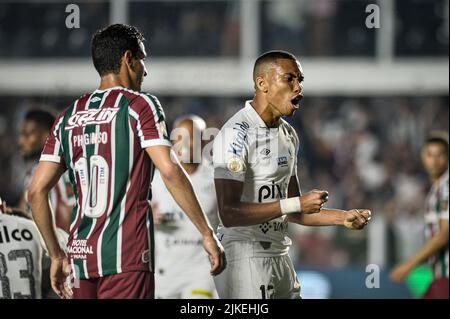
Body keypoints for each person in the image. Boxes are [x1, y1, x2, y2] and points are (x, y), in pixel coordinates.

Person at [27, 24, 225, 299]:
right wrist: (207, 233)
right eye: (143, 60)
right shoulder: (140, 105)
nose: (146, 70)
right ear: (128, 59)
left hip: (80, 258)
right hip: (127, 257)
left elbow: (35, 191)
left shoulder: (67, 117)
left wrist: (56, 254)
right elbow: (169, 171)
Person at [212, 50, 371, 299]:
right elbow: (229, 213)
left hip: (280, 254)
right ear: (262, 83)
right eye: (290, 79)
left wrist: (343, 218)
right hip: (245, 256)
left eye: (300, 81)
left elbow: (295, 212)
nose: (299, 88)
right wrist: (296, 202)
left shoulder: (288, 135)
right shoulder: (235, 134)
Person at [152, 115, 219, 299]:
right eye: (179, 138)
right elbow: (134, 215)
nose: (185, 145)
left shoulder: (217, 179)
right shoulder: (155, 179)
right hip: (165, 272)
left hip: (201, 272)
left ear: (204, 140)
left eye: (192, 138)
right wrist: (147, 215)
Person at [390, 131, 449, 299]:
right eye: (430, 155)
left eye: (440, 155)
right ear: (423, 157)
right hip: (437, 273)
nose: (435, 160)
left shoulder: (446, 187)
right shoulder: (434, 190)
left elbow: (444, 234)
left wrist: (409, 265)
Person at [3, 110, 75, 231]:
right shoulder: (35, 170)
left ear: (46, 135)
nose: (20, 142)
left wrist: (56, 248)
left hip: (58, 246)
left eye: (27, 135)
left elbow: (67, 214)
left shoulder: (57, 171)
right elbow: (24, 210)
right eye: (20, 135)